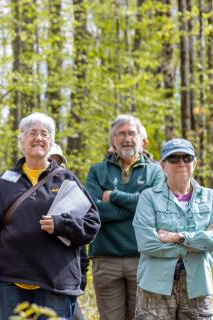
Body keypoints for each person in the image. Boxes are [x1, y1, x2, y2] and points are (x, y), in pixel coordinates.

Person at [0, 112, 100, 320]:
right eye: (32, 133)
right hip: (11, 282)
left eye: (44, 134)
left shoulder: (66, 179)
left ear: (51, 142)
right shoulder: (4, 182)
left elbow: (92, 224)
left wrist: (61, 225)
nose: (38, 138)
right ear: (21, 141)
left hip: (54, 283)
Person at [85, 115, 164, 320]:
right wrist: (135, 206)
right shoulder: (97, 171)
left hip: (144, 258)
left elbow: (154, 207)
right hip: (105, 258)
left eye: (132, 133)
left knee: (143, 316)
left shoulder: (155, 172)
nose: (127, 138)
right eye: (121, 133)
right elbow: (92, 210)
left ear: (142, 139)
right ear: (113, 140)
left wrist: (113, 195)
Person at [133, 138, 213, 319]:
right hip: (154, 287)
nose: (181, 163)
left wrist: (178, 237)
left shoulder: (211, 197)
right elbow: (147, 243)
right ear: (162, 165)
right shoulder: (148, 197)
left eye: (186, 157)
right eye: (174, 158)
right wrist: (198, 243)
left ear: (195, 162)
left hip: (199, 285)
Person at [48, 144, 87, 320]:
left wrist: (82, 277)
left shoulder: (74, 198)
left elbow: (83, 242)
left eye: (59, 163)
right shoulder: (26, 195)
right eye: (50, 161)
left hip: (66, 283)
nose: (55, 167)